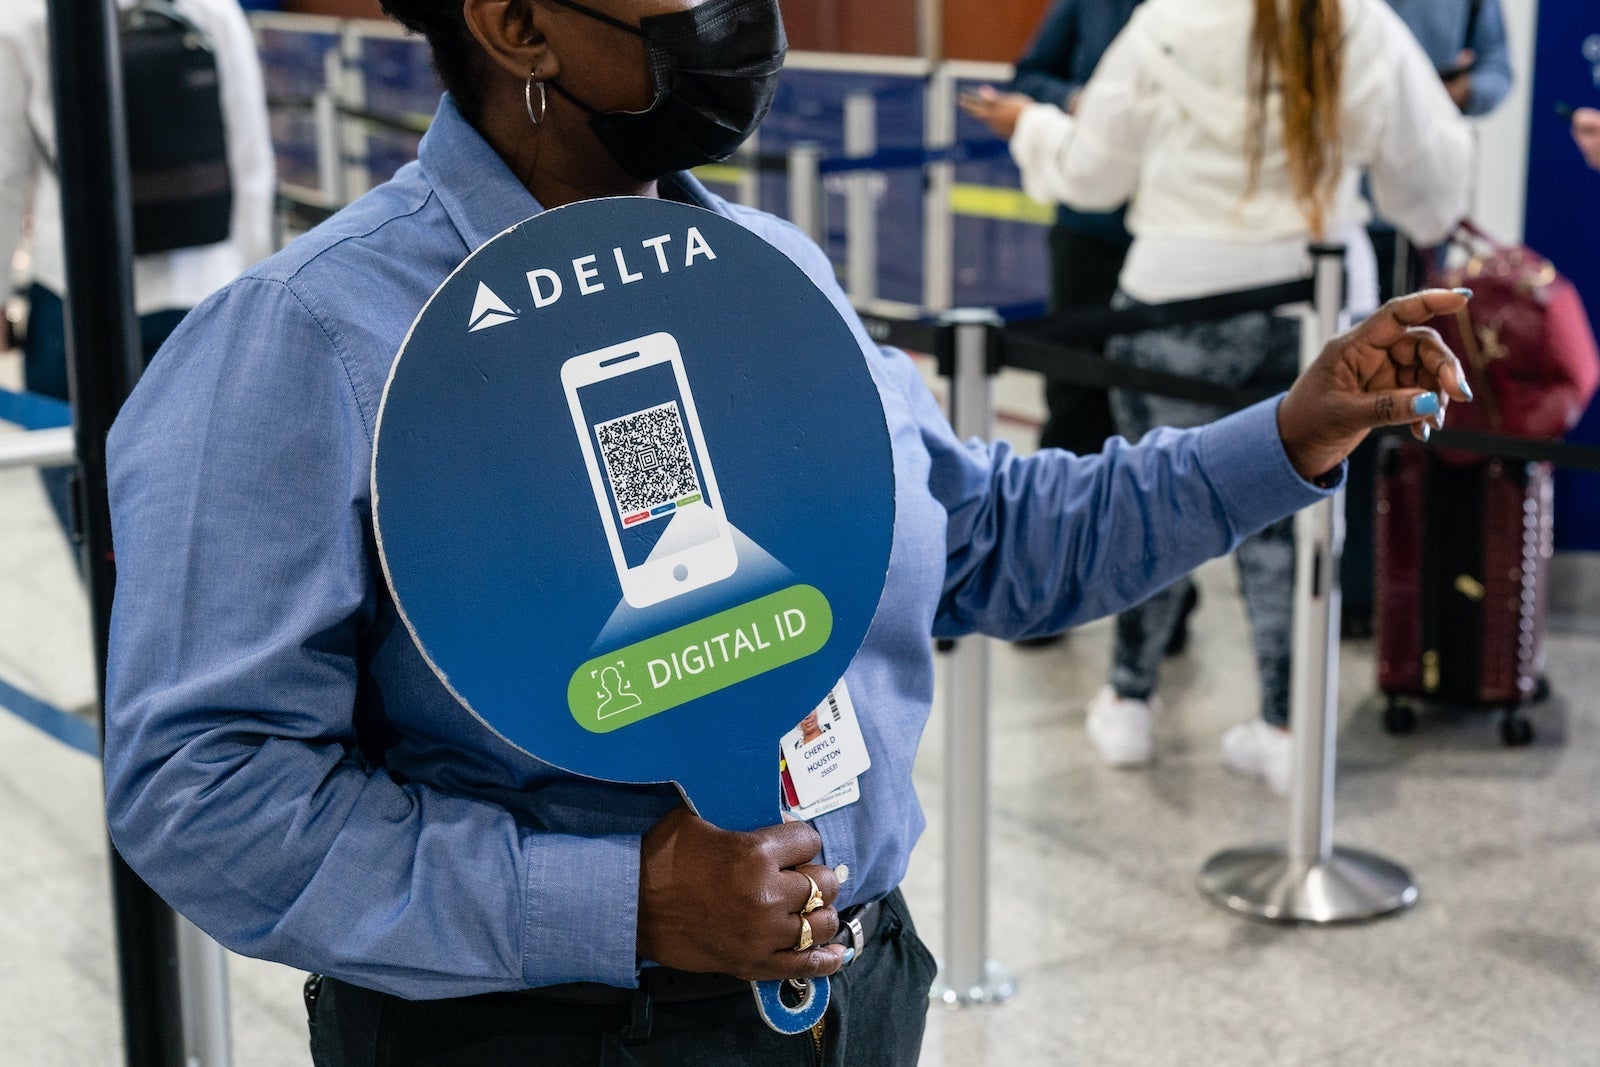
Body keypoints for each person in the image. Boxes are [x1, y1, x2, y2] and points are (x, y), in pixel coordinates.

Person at [102, 0, 1470, 1062]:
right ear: (514, 23)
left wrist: (1289, 432)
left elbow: (979, 535)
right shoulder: (315, 337)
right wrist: (621, 897)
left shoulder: (771, 274)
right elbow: (200, 784)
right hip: (547, 1031)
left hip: (859, 997)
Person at [963, 0, 1472, 791]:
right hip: (1316, 321)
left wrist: (1030, 124)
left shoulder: (1168, 19)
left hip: (1173, 303)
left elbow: (1090, 174)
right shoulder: (1360, 23)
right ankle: (1285, 724)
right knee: (1297, 535)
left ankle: (1130, 702)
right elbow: (1433, 195)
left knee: (1154, 500)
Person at [0, 0, 274, 535]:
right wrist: (260, 295)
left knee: (79, 473)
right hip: (205, 290)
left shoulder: (23, 15)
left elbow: (5, 178)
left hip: (73, 300)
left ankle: (110, 604)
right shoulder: (209, 8)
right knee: (203, 494)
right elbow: (251, 164)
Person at [1005, 0, 1178, 653]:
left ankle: (1166, 611)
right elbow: (1031, 77)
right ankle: (1051, 593)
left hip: (1167, 243)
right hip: (1089, 234)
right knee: (1073, 407)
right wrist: (1079, 102)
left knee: (1162, 426)